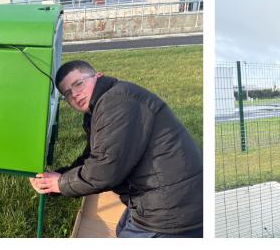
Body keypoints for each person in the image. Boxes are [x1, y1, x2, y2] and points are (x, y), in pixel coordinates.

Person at [30, 60, 202, 238]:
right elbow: (94, 158)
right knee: (122, 229)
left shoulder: (116, 103)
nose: (75, 94)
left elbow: (104, 171)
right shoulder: (103, 105)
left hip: (172, 210)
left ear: (98, 75)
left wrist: (60, 183)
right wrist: (56, 178)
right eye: (67, 93)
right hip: (169, 196)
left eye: (78, 83)